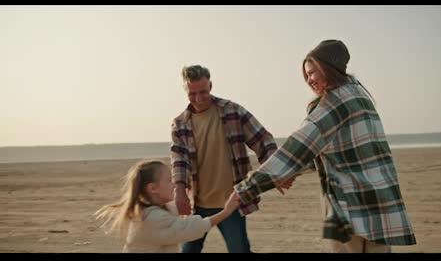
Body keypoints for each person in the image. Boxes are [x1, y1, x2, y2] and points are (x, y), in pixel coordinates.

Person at [233, 40, 417, 253]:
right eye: (307, 74)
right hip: (383, 202)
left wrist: (248, 188)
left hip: (349, 206)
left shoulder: (332, 104)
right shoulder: (360, 96)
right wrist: (290, 173)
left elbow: (298, 148)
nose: (309, 80)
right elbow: (330, 150)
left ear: (329, 68)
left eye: (313, 72)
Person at [170, 64, 290, 253]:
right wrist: (179, 190)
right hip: (197, 205)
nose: (198, 99)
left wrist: (278, 172)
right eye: (192, 94)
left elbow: (262, 140)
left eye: (203, 92)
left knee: (239, 250)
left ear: (211, 85)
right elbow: (179, 160)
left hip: (231, 202)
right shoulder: (180, 124)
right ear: (185, 89)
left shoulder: (233, 111)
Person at [95, 159, 241, 253]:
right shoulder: (153, 218)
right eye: (169, 180)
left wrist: (191, 190)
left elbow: (178, 208)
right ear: (153, 188)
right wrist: (226, 212)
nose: (174, 184)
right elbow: (190, 228)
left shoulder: (151, 210)